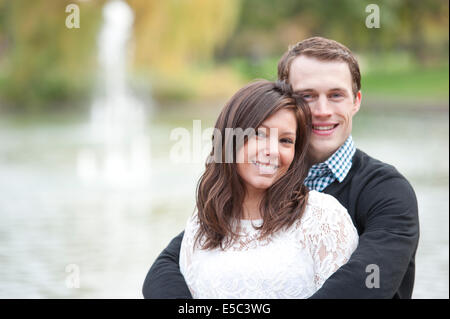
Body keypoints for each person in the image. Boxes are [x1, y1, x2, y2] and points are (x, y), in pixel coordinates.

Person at [142, 37, 419, 299]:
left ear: (356, 101)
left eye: (336, 95)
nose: (322, 110)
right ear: (284, 98)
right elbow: (167, 267)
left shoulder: (388, 191)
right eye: (307, 96)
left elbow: (368, 281)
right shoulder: (257, 181)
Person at [179, 80, 358, 298]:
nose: (272, 151)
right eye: (260, 134)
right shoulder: (200, 223)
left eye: (285, 140)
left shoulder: (323, 217)